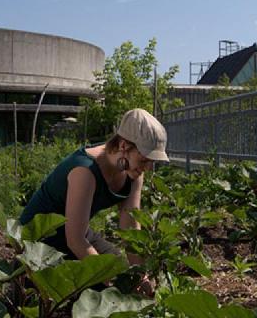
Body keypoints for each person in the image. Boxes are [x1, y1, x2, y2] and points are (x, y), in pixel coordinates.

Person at [17, 108, 169, 265]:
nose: (148, 167)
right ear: (123, 146)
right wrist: (107, 277)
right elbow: (76, 241)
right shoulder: (85, 171)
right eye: (145, 160)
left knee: (124, 272)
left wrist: (140, 274)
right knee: (102, 280)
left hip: (78, 232)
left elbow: (130, 226)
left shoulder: (134, 171)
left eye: (153, 161)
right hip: (38, 242)